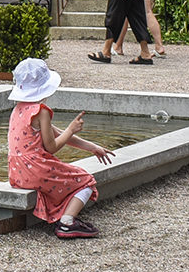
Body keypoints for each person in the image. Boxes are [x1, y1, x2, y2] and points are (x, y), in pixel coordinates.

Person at [6, 57, 115, 239]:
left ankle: (60, 215)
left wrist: (92, 147)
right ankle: (67, 222)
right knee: (86, 181)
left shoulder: (18, 108)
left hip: (17, 173)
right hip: (37, 170)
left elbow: (57, 133)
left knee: (66, 176)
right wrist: (71, 128)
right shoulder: (41, 111)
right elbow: (51, 147)